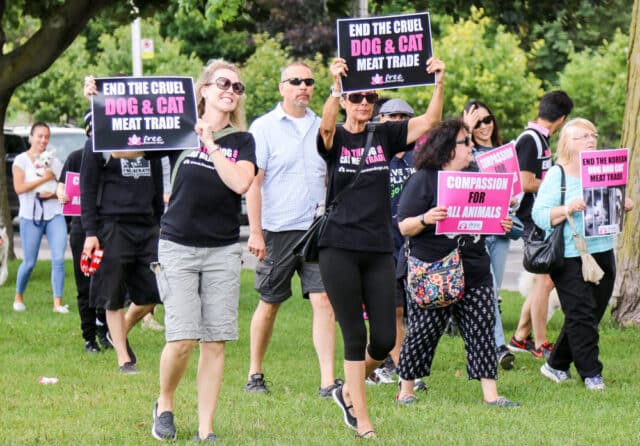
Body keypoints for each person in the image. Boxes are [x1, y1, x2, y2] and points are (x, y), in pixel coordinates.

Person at [318, 56, 445, 439]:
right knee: (355, 335)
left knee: (386, 338)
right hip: (337, 246)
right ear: (344, 100)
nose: (363, 103)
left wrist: (438, 82)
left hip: (377, 248)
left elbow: (429, 122)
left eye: (369, 97)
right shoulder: (335, 136)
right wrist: (334, 86)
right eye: (356, 97)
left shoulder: (383, 135)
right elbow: (325, 127)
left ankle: (346, 389)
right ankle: (361, 416)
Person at [150, 59, 256, 442]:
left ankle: (205, 429)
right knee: (181, 339)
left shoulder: (242, 141)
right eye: (223, 83)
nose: (231, 90)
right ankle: (164, 403)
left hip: (223, 250)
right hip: (177, 244)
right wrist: (100, 103)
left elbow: (241, 182)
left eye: (237, 87)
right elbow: (126, 150)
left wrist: (211, 143)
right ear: (205, 89)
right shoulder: (177, 131)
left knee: (214, 340)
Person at [395, 117, 520, 407]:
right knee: (423, 331)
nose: (471, 147)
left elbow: (485, 221)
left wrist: (501, 223)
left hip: (474, 267)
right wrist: (427, 218)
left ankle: (492, 395)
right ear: (449, 148)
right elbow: (403, 226)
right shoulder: (424, 179)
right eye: (466, 142)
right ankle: (406, 391)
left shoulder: (478, 175)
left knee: (482, 328)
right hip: (434, 271)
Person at [245, 61, 340, 397]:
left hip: (317, 228)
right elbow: (254, 184)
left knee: (324, 300)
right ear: (281, 87)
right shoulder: (264, 127)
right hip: (278, 229)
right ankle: (255, 373)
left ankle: (328, 381)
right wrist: (255, 231)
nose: (303, 86)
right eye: (295, 81)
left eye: (309, 81)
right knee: (270, 301)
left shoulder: (323, 126)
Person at [533, 118, 633, 390]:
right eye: (583, 136)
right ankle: (591, 374)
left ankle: (555, 365)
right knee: (580, 314)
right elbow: (539, 215)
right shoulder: (558, 174)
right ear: (568, 142)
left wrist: (623, 203)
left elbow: (612, 201)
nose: (591, 140)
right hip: (569, 255)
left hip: (602, 251)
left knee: (590, 313)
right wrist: (567, 208)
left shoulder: (604, 168)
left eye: (593, 135)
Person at [81, 79, 164, 374]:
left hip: (146, 226)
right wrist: (91, 233)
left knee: (153, 294)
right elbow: (87, 190)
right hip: (112, 226)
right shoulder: (98, 143)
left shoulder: (147, 143)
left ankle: (117, 334)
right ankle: (123, 359)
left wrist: (159, 222)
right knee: (112, 294)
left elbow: (157, 185)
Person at [367, 98, 427, 391]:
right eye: (392, 116)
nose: (399, 120)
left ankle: (401, 364)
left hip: (414, 243)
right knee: (392, 310)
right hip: (381, 242)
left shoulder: (423, 157)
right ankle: (404, 370)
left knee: (415, 310)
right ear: (380, 120)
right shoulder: (373, 153)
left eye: (405, 116)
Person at [509, 91, 573, 359]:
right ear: (562, 118)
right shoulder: (531, 140)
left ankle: (521, 337)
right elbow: (525, 182)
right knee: (545, 281)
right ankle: (541, 342)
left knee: (544, 280)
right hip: (530, 219)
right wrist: (558, 188)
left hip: (538, 219)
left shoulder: (540, 139)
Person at [462, 100, 515, 370]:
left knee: (491, 293)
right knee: (488, 288)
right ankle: (497, 346)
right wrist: (466, 133)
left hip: (501, 231)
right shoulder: (464, 154)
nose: (484, 126)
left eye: (487, 120)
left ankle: (479, 341)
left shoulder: (505, 154)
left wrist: (513, 205)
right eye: (477, 122)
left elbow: (515, 195)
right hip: (477, 233)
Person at [57, 141, 109, 352]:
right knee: (85, 285)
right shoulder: (76, 157)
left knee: (108, 284)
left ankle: (105, 330)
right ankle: (89, 338)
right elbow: (62, 184)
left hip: (109, 226)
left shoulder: (116, 155)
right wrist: (62, 194)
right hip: (81, 226)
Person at [12, 122, 69, 313]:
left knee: (59, 258)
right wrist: (45, 179)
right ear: (31, 137)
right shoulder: (21, 161)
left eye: (46, 137)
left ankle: (57, 304)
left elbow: (66, 189)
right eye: (40, 136)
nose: (43, 140)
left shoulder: (55, 162)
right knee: (29, 262)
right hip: (30, 216)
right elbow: (19, 188)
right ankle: (18, 297)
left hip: (54, 214)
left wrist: (53, 194)